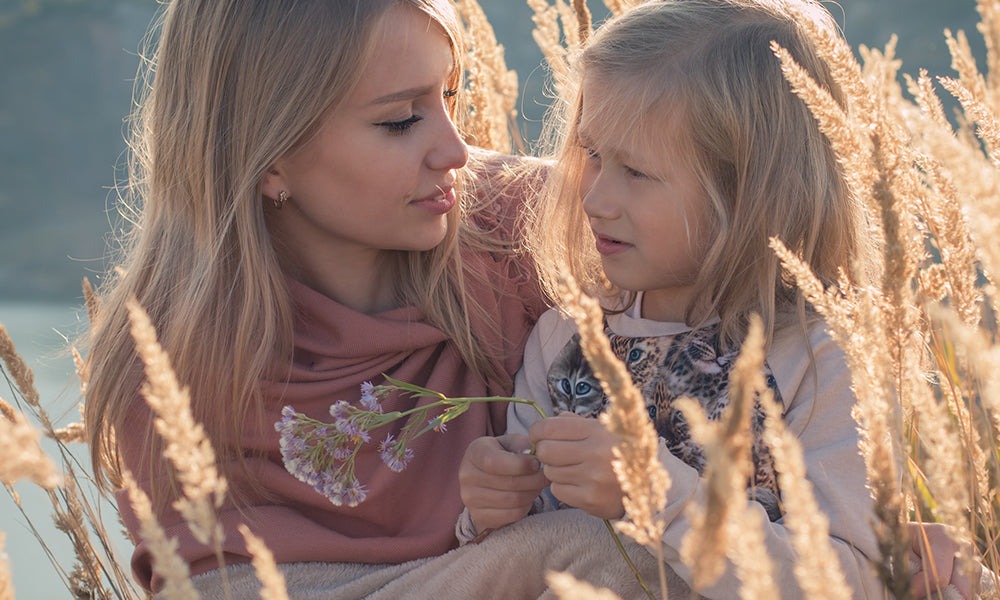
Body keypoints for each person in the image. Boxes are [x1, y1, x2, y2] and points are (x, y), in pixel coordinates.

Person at [82, 0, 981, 597]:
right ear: (266, 155)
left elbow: (724, 244)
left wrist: (887, 552)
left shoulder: (529, 228)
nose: (455, 149)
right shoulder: (169, 364)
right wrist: (508, 523)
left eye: (452, 97)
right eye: (400, 119)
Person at [457, 1, 990, 598]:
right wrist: (488, 507)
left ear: (749, 192)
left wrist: (654, 490)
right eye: (594, 156)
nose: (595, 197)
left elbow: (847, 580)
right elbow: (526, 556)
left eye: (636, 171)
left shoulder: (821, 360)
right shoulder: (566, 338)